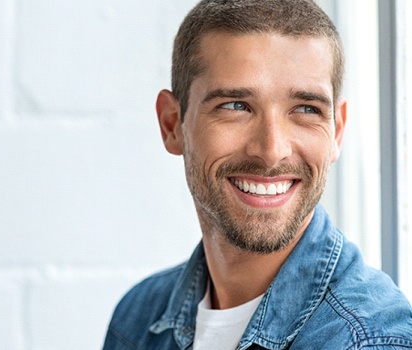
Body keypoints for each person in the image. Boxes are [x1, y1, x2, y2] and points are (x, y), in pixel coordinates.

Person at [103, 0, 412, 348]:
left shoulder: (369, 340)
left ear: (336, 131)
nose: (271, 150)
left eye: (306, 109)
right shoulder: (137, 319)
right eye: (236, 106)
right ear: (172, 124)